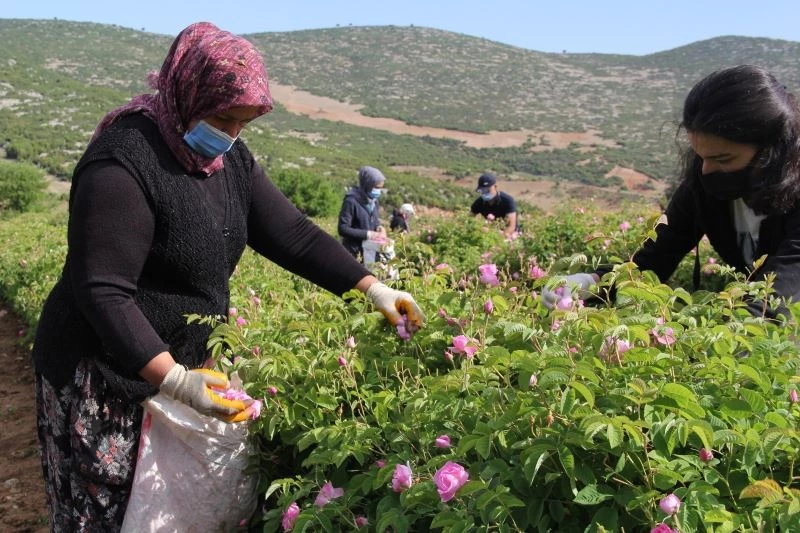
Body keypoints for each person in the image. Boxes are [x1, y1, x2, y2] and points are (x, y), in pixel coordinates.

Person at [31, 22, 424, 531]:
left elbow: (294, 236)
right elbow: (104, 291)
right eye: (223, 118)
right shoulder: (124, 162)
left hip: (180, 370)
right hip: (104, 375)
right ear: (187, 93)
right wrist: (174, 379)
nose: (231, 134)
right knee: (112, 513)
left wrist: (374, 288)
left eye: (243, 123)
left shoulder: (227, 160)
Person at [542, 65, 800, 319]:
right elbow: (656, 257)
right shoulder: (704, 186)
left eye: (723, 158)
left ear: (771, 150)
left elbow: (776, 300)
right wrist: (592, 281)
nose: (707, 170)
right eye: (701, 157)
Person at [338, 166, 387, 261]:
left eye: (381, 188)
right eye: (376, 187)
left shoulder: (374, 201)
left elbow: (375, 221)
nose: (378, 191)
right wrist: (368, 234)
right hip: (353, 252)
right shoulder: (351, 201)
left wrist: (380, 228)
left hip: (369, 252)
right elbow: (343, 228)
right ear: (367, 184)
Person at [470, 172, 519, 238]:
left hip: (510, 235)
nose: (485, 193)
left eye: (487, 190)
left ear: (495, 187)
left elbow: (511, 226)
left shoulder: (507, 201)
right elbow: (469, 219)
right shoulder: (479, 202)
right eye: (483, 191)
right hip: (490, 234)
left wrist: (499, 240)